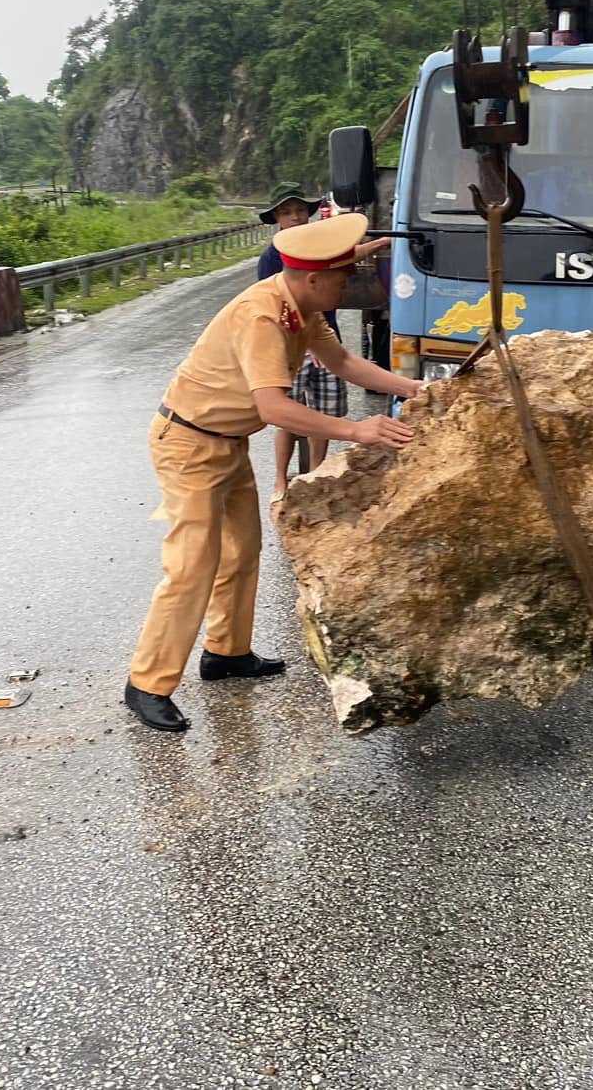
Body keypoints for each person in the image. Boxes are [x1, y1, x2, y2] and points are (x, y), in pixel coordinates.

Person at [124, 212, 421, 733]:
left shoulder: (301, 307)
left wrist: (416, 391)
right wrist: (357, 430)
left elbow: (345, 364)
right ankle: (147, 684)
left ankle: (226, 653)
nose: (347, 285)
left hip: (226, 443)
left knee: (242, 552)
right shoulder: (262, 315)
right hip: (188, 443)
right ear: (312, 278)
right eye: (340, 277)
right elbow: (274, 409)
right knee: (193, 563)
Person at [257, 182, 349, 499]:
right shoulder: (272, 258)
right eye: (286, 212)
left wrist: (375, 244)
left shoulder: (322, 249)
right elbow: (275, 308)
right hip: (291, 346)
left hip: (325, 341)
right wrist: (309, 346)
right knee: (289, 417)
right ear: (277, 219)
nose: (295, 217)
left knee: (322, 416)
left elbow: (344, 263)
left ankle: (314, 475)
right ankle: (281, 481)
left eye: (299, 210)